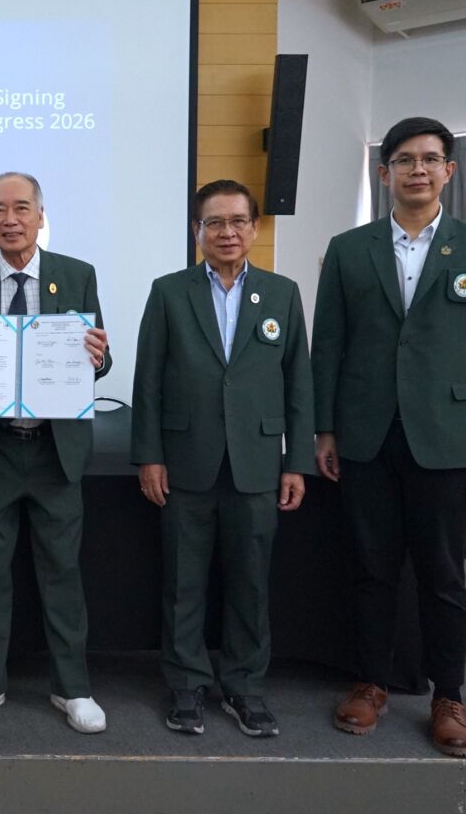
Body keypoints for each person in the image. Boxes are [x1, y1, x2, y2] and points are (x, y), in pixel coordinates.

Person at [314, 116, 466, 758]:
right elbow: (330, 348)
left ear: (449, 171)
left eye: (430, 159)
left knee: (442, 574)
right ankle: (371, 681)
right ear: (385, 173)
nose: (418, 170)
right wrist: (325, 426)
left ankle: (448, 696)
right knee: (372, 570)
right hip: (366, 434)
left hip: (448, 437)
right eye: (404, 160)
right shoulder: (350, 248)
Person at [131, 178, 314, 738]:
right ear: (197, 232)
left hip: (258, 463)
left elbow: (298, 383)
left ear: (254, 228)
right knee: (184, 581)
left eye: (238, 221)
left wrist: (296, 462)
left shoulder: (282, 293)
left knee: (251, 583)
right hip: (186, 461)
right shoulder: (169, 291)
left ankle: (244, 686)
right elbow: (149, 382)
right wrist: (149, 456)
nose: (227, 232)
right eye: (215, 223)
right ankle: (186, 685)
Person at [0, 171, 111, 733]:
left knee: (62, 571)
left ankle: (72, 689)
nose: (9, 220)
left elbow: (98, 360)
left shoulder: (76, 275)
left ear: (42, 215)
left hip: (54, 449)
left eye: (21, 208)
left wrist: (98, 355)